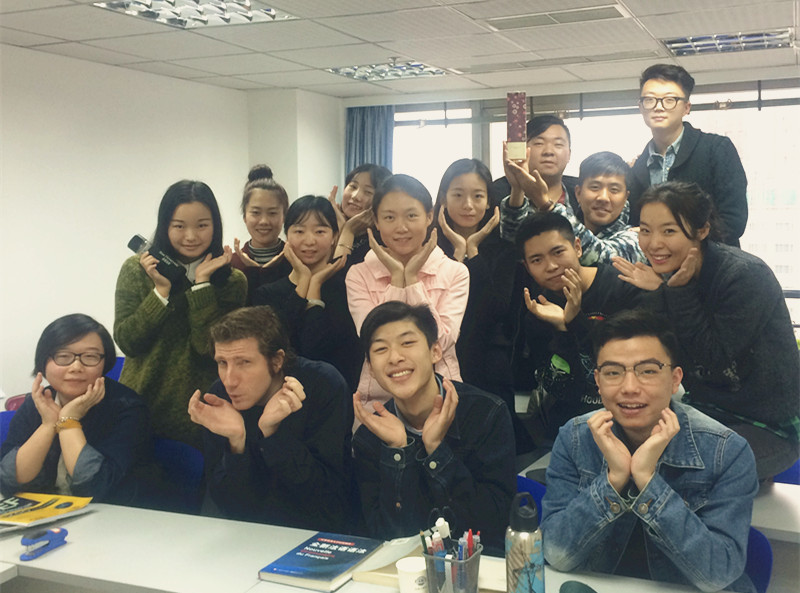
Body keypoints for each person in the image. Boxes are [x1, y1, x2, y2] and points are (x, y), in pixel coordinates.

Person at [542, 309, 758, 592]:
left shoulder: (726, 452)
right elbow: (556, 553)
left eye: (647, 371)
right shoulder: (574, 438)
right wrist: (613, 480)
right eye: (613, 372)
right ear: (597, 381)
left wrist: (647, 480)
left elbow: (718, 573)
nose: (630, 387)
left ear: (675, 379)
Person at [613, 182, 799, 479]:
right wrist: (660, 294)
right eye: (645, 230)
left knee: (674, 470)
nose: (654, 243)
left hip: (769, 427)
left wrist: (674, 293)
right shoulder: (669, 277)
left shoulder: (744, 275)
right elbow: (665, 351)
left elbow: (713, 360)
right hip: (704, 412)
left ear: (702, 230)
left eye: (669, 231)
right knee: (607, 442)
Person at [352, 302, 515, 550]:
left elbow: (493, 525)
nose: (395, 357)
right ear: (371, 369)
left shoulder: (486, 414)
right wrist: (399, 450)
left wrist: (437, 450)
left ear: (435, 351)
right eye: (381, 349)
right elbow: (387, 537)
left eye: (407, 343)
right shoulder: (369, 438)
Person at [187, 306, 351, 532]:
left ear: (276, 361)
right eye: (222, 363)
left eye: (244, 362)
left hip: (315, 532)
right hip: (251, 534)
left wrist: (273, 435)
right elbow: (231, 509)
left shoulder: (323, 384)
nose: (230, 380)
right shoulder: (219, 396)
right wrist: (236, 442)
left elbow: (327, 501)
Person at [114, 180, 247, 446]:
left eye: (202, 225)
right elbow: (128, 342)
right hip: (139, 410)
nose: (191, 236)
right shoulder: (136, 270)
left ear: (215, 226)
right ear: (165, 226)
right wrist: (160, 293)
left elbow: (207, 349)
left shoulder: (232, 282)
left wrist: (202, 286)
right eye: (179, 226)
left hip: (200, 413)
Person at [515, 211, 644, 442]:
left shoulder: (621, 287)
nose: (551, 266)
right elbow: (560, 391)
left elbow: (631, 364)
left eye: (558, 252)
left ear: (577, 247)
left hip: (630, 419)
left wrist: (576, 321)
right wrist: (563, 331)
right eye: (537, 260)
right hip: (571, 430)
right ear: (527, 266)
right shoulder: (538, 312)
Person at [346, 174, 469, 409]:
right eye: (389, 217)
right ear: (376, 221)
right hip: (379, 399)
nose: (401, 227)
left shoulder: (456, 272)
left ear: (429, 217)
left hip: (442, 395)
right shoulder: (358, 274)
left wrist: (411, 281)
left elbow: (441, 342)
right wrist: (396, 278)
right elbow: (372, 337)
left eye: (411, 215)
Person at [433, 158, 531, 450]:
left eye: (478, 196)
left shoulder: (504, 250)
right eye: (458, 194)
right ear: (443, 198)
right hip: (440, 356)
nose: (468, 205)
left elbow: (495, 310)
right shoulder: (430, 247)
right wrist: (457, 254)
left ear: (489, 202)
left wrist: (472, 252)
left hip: (488, 360)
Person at [1, 314, 149, 503]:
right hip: (47, 514)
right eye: (63, 356)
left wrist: (69, 421)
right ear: (44, 361)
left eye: (90, 357)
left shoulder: (128, 407)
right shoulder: (38, 403)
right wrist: (48, 425)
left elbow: (97, 486)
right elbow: (9, 480)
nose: (76, 367)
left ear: (105, 363)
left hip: (112, 514)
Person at [627, 64, 747, 246]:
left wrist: (676, 239)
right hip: (657, 262)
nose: (658, 107)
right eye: (649, 100)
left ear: (686, 107)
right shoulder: (638, 168)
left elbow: (733, 221)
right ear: (640, 107)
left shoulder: (716, 149)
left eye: (669, 100)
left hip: (713, 261)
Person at [253, 195, 361, 390]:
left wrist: (315, 285)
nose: (309, 241)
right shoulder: (266, 293)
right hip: (282, 396)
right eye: (299, 231)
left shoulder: (349, 287)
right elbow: (278, 345)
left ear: (334, 237)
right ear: (287, 236)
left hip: (339, 394)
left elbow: (315, 349)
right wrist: (304, 281)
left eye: (320, 231)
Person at [502, 147, 646, 265]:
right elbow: (516, 242)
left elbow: (602, 257)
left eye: (614, 190)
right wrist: (517, 189)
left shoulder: (638, 238)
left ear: (626, 198)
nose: (603, 197)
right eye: (595, 187)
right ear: (578, 193)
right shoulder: (568, 222)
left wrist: (545, 203)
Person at [492, 114, 578, 219]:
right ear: (524, 150)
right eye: (539, 143)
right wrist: (517, 191)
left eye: (558, 144)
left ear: (569, 154)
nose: (548, 151)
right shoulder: (497, 194)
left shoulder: (581, 196)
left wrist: (543, 202)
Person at [231, 164, 292, 304]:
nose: (264, 221)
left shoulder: (296, 262)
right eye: (256, 213)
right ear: (244, 216)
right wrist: (252, 271)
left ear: (284, 216)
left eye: (272, 213)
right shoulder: (232, 264)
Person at [330, 163, 392, 268]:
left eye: (368, 192)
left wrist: (348, 230)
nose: (355, 196)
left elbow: (340, 277)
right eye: (353, 186)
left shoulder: (381, 242)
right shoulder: (327, 228)